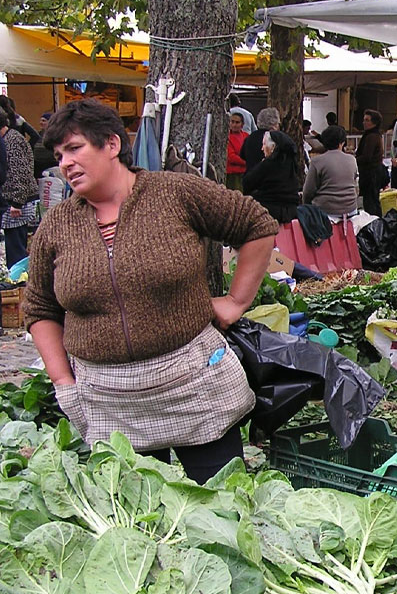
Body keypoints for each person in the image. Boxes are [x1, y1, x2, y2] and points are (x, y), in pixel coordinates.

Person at [24, 99, 279, 484]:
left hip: (192, 386)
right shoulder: (57, 224)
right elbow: (39, 306)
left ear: (111, 145)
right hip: (110, 399)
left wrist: (236, 302)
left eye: (75, 148)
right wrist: (63, 383)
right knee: (139, 521)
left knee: (225, 507)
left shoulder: (173, 193)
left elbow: (257, 223)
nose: (66, 163)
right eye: (59, 155)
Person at [1, 110, 36, 268]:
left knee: (15, 250)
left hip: (17, 204)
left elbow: (21, 172)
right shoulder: (8, 139)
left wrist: (17, 202)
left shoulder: (12, 140)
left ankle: (18, 283)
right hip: (13, 202)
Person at [242, 130, 302, 224]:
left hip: (270, 210)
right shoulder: (291, 164)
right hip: (290, 210)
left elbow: (246, 184)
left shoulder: (268, 164)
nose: (262, 148)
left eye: (264, 144)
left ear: (273, 147)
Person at [304, 125, 359, 218]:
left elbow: (308, 191)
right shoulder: (351, 160)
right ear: (342, 142)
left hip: (325, 209)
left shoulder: (317, 161)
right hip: (350, 209)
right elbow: (356, 186)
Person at [355, 109, 386, 216]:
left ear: (374, 122)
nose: (364, 122)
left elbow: (367, 156)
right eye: (364, 120)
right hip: (372, 172)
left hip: (371, 173)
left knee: (371, 202)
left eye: (367, 120)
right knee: (372, 200)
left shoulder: (372, 136)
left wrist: (353, 159)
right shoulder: (372, 135)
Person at [241, 107, 280, 174]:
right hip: (268, 176)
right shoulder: (275, 138)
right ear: (274, 124)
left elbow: (242, 154)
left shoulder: (250, 137)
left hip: (250, 176)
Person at [225, 112, 248, 191]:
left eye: (237, 122)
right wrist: (247, 162)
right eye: (232, 122)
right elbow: (231, 157)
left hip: (245, 172)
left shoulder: (246, 136)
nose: (234, 125)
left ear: (242, 124)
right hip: (232, 174)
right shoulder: (226, 137)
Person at [33, 112, 59, 178]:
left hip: (51, 165)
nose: (41, 123)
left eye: (44, 121)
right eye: (41, 120)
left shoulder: (55, 135)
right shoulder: (37, 135)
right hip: (38, 166)